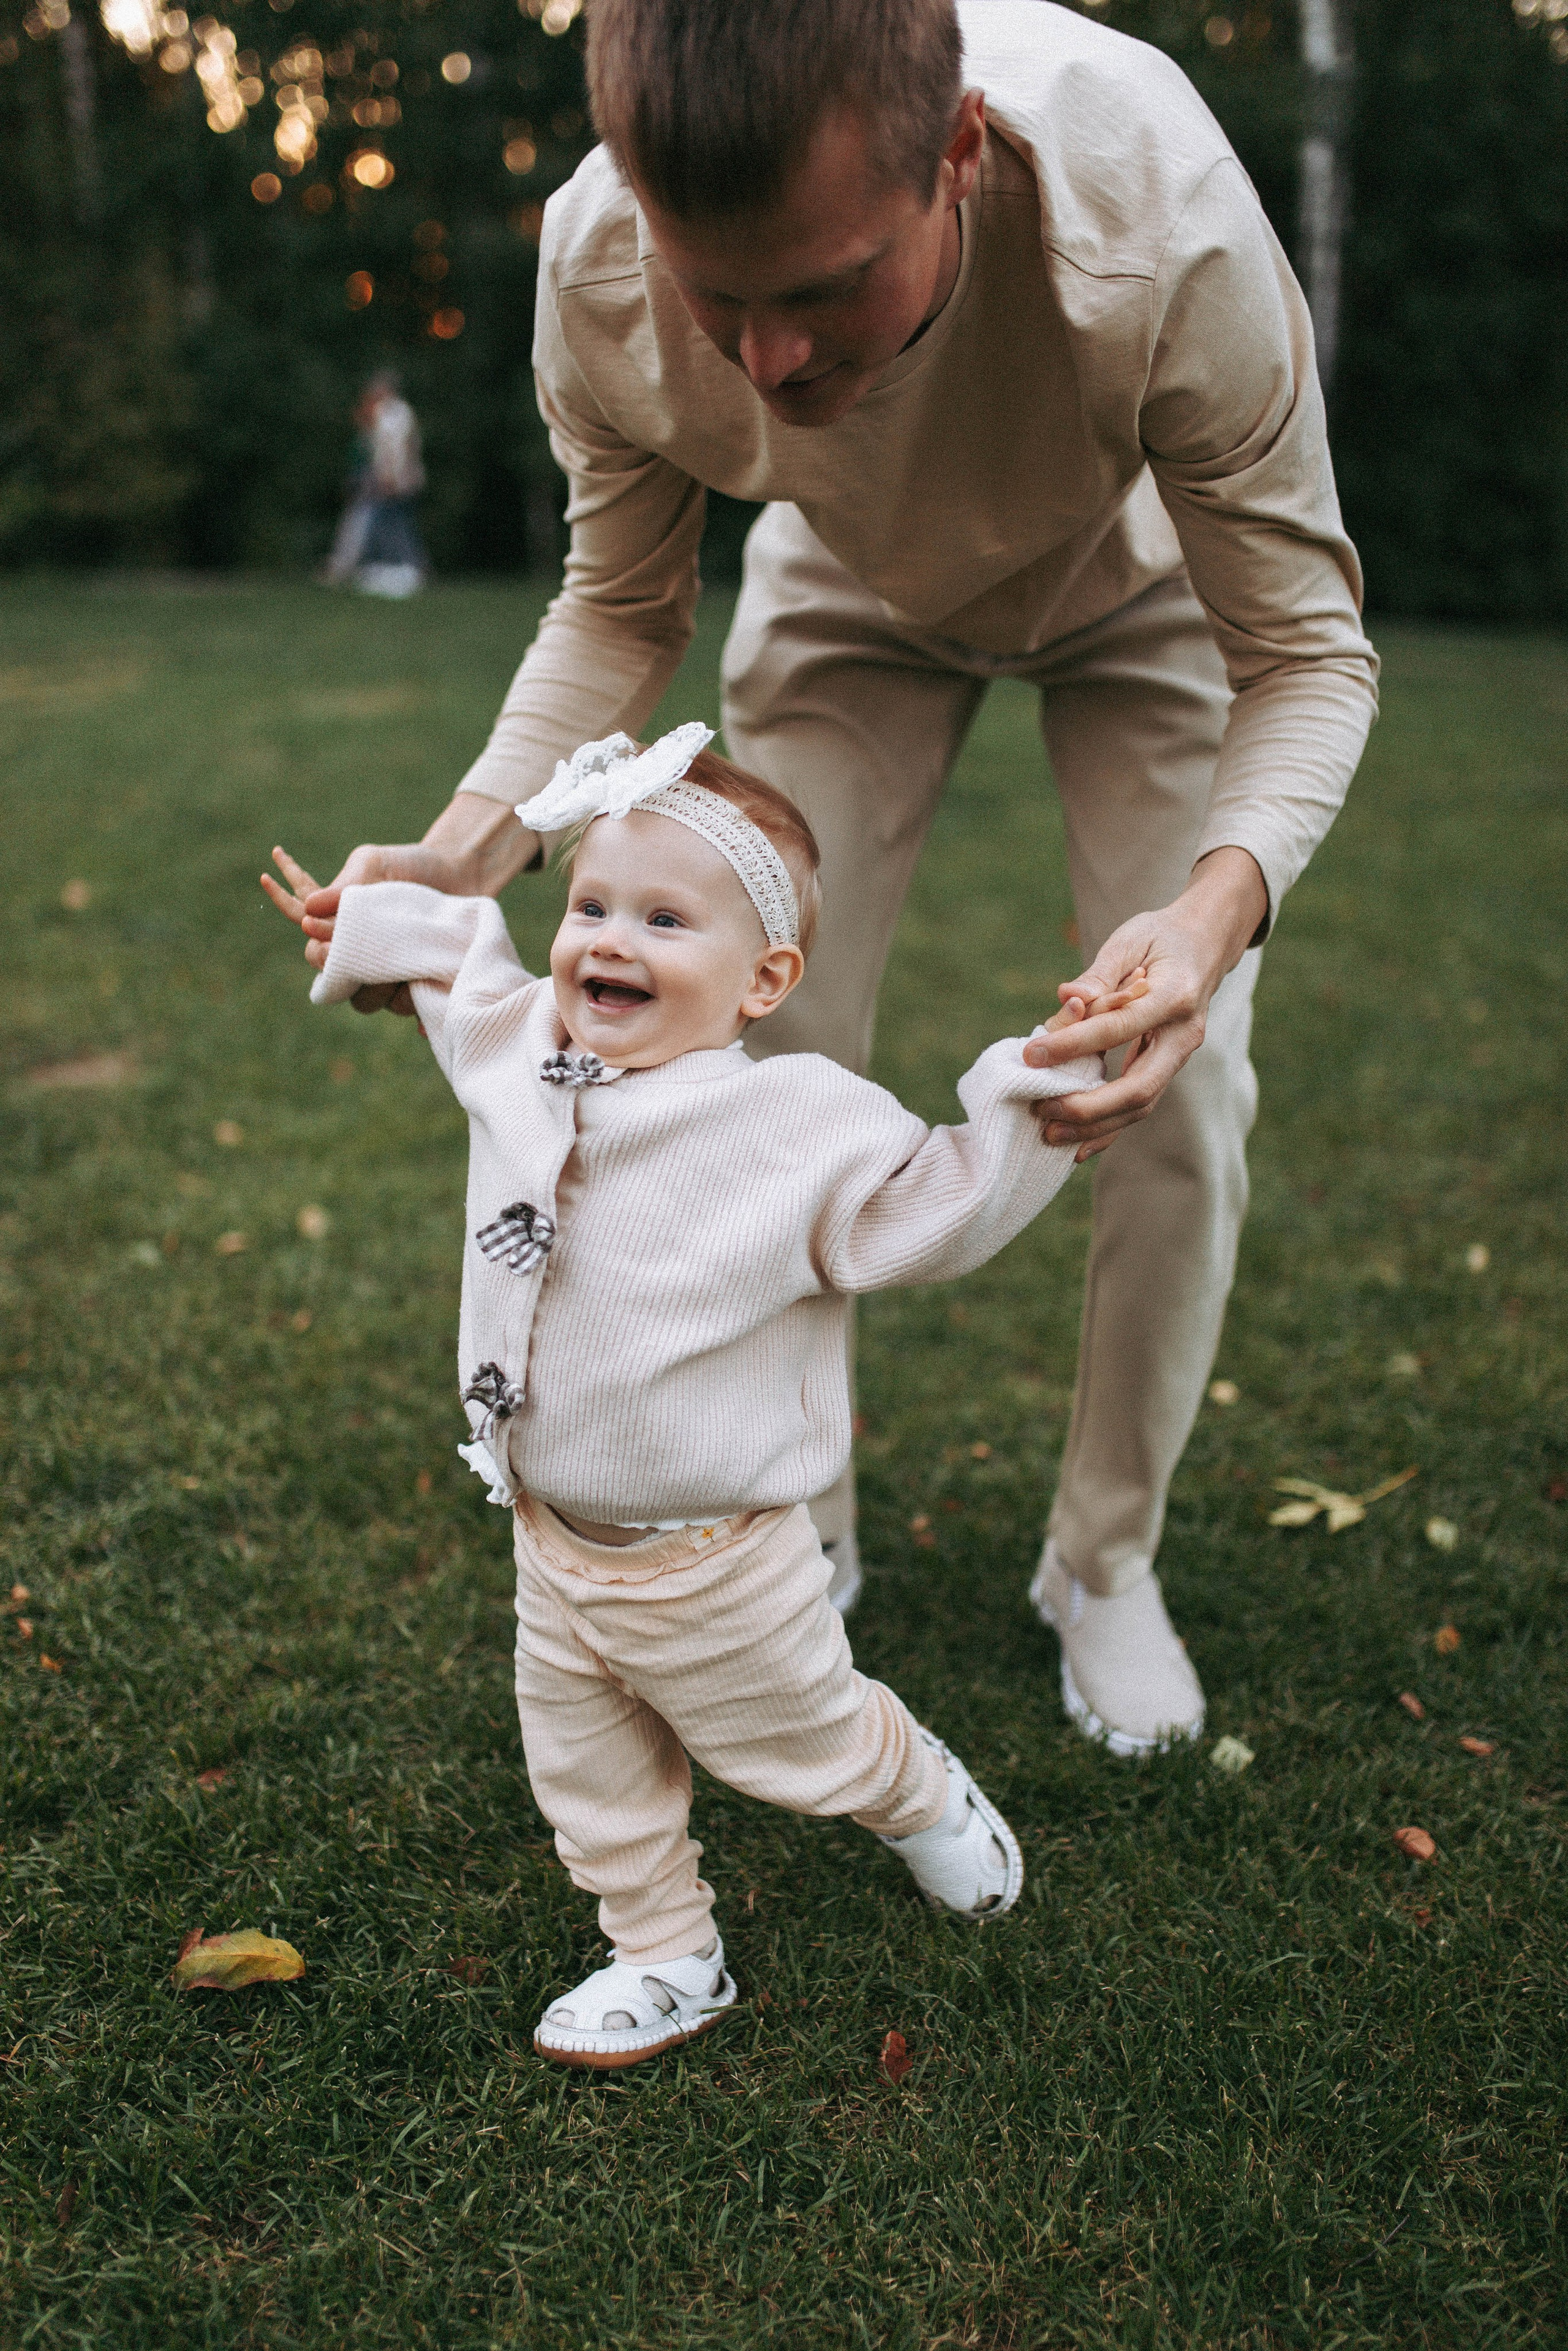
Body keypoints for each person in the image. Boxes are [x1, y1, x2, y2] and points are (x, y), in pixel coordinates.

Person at [293, 0, 1379, 1759]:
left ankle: (1103, 1561)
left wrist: (1209, 914)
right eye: (715, 297)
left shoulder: (1159, 217)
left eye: (823, 287)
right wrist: (464, 848)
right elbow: (620, 608)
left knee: (1174, 1080)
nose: (768, 359)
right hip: (844, 598)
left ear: (955, 156)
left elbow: (1308, 652)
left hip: (1146, 591)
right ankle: (789, 1528)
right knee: (742, 1055)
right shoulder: (595, 259)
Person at [260, 723, 1125, 2070]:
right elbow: (459, 965)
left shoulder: (796, 1124)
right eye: (592, 908)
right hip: (549, 1539)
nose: (611, 941)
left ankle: (912, 1788)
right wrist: (364, 922)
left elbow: (938, 1203)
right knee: (586, 1774)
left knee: (802, 1744)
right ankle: (665, 1952)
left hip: (713, 1556)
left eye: (665, 920)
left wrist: (1035, 1097)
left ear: (763, 978)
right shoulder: (526, 1046)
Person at [321, 371, 428, 597]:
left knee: (393, 525)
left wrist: (391, 477)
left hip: (395, 482)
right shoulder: (391, 412)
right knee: (392, 525)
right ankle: (405, 569)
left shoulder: (395, 413)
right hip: (391, 480)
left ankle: (409, 570)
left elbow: (396, 449)